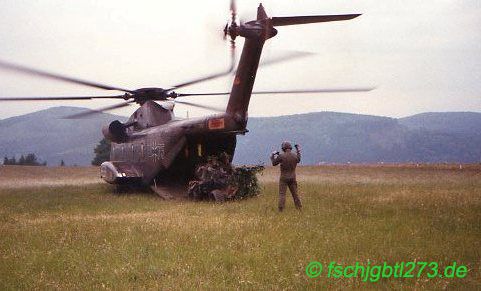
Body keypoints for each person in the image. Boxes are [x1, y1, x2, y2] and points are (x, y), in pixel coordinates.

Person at [270, 141, 302, 211]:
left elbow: (274, 163)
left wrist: (272, 155)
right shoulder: (294, 156)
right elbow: (299, 159)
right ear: (290, 148)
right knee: (295, 194)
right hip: (293, 177)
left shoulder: (281, 156)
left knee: (282, 194)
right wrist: (298, 150)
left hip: (283, 178)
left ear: (283, 148)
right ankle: (299, 208)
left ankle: (281, 209)